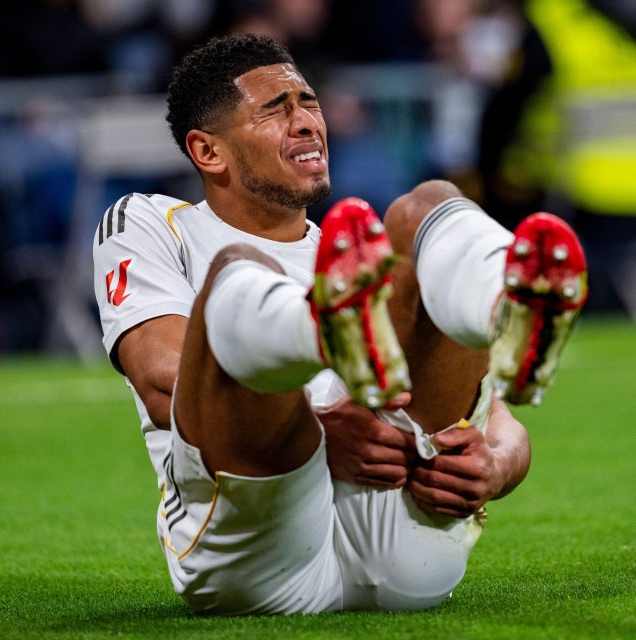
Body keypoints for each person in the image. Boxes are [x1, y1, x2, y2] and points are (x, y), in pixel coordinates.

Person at [92, 34, 587, 615]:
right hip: (257, 542)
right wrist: (323, 433)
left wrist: (497, 464)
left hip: (401, 526)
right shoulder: (152, 223)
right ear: (208, 152)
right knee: (236, 273)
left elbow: (498, 420)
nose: (306, 123)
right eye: (275, 111)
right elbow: (159, 378)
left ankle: (504, 300)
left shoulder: (352, 255)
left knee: (423, 210)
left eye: (309, 103)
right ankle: (319, 330)